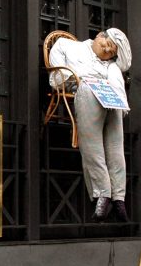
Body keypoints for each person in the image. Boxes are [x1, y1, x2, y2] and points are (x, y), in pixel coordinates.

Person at [47, 28, 132, 222]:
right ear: (99, 37)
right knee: (93, 143)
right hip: (84, 90)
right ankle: (103, 193)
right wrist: (74, 78)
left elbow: (124, 64)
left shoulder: (111, 67)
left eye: (112, 52)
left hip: (107, 98)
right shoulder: (68, 46)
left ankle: (119, 197)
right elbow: (58, 74)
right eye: (107, 46)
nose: (107, 52)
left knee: (116, 146)